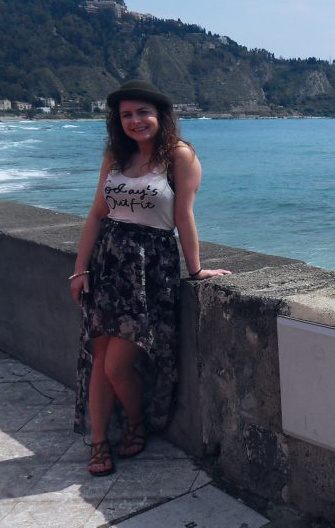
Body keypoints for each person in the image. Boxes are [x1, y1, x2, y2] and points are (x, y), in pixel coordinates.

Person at [69, 79, 230, 476]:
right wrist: (80, 268)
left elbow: (183, 216)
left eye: (143, 112)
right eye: (126, 115)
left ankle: (137, 421)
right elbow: (96, 214)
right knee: (100, 356)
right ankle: (100, 441)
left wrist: (195, 269)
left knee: (116, 365)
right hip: (108, 262)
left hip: (148, 265)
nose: (135, 121)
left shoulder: (178, 156)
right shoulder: (116, 156)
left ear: (160, 115)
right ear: (117, 120)